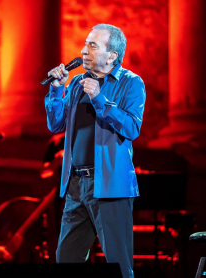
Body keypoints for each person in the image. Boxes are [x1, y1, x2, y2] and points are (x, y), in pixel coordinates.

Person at [44, 24, 146, 278]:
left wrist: (100, 99)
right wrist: (57, 88)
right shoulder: (78, 82)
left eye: (93, 45)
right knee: (66, 259)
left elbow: (132, 128)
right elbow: (56, 123)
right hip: (76, 185)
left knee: (119, 265)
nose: (83, 50)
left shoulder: (131, 83)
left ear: (112, 55)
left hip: (110, 186)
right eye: (85, 43)